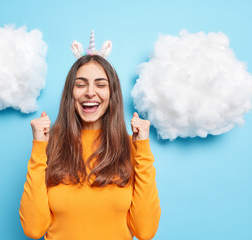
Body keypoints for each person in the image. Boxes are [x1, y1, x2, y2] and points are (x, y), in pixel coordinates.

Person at [19, 45, 161, 240]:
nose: (90, 92)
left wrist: (142, 147)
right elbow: (33, 229)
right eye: (80, 84)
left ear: (112, 95)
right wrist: (39, 146)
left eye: (101, 85)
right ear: (71, 93)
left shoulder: (132, 147)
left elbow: (145, 231)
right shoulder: (50, 146)